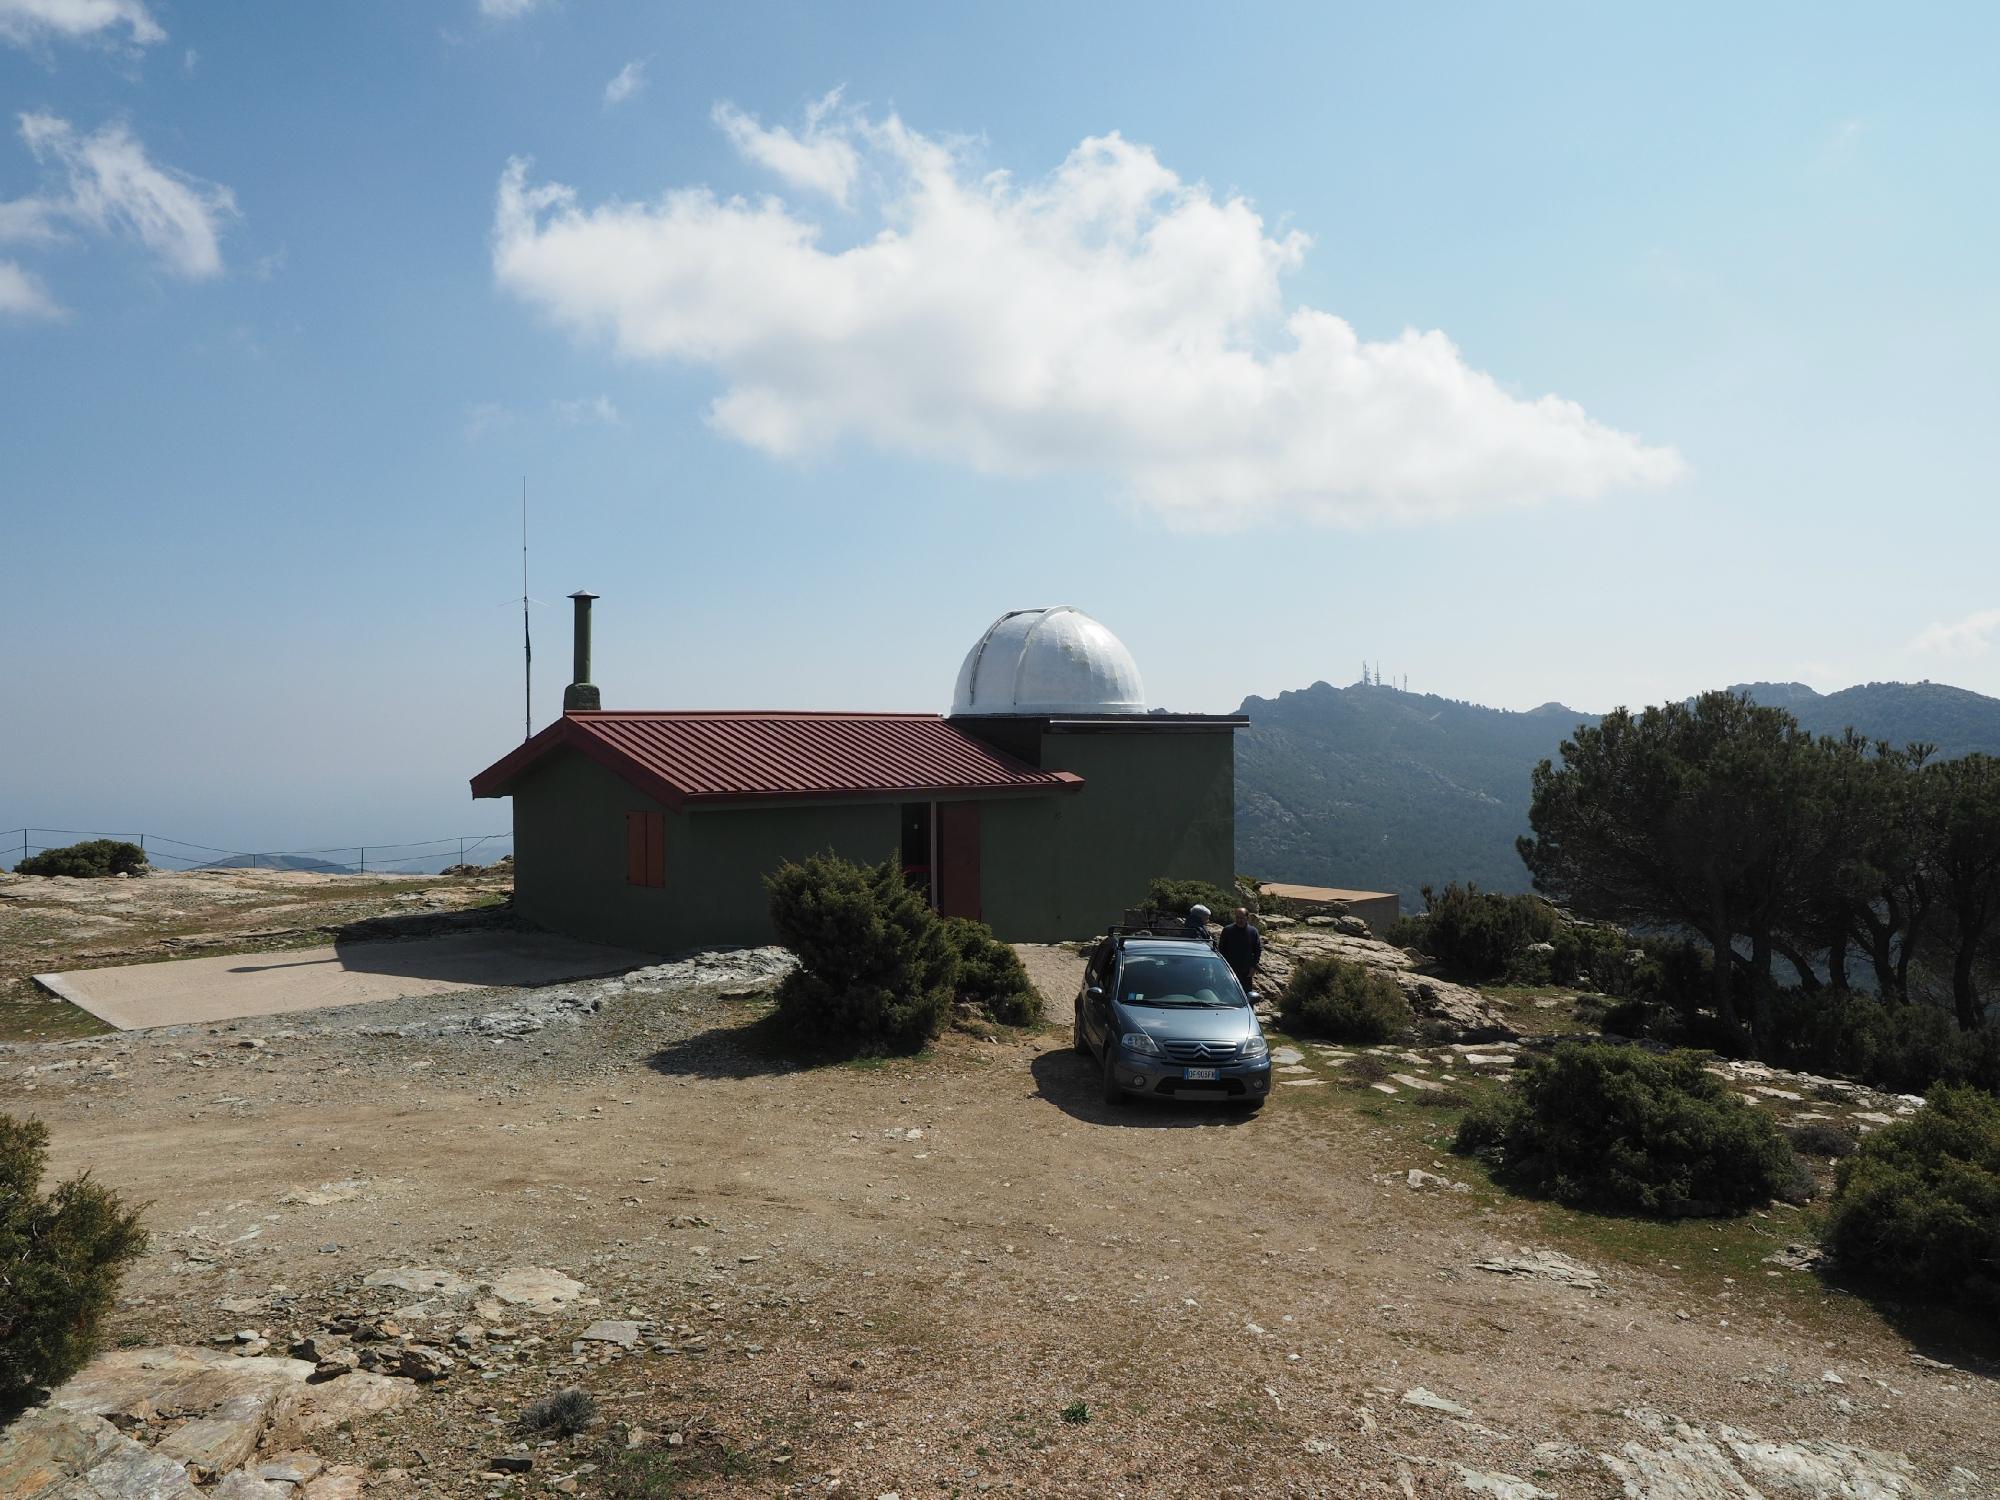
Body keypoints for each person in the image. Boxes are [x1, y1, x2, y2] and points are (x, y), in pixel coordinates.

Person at [1217, 906, 1262, 994]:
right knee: (1227, 994)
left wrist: (1253, 967)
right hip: (1229, 970)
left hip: (1246, 972)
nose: (1239, 920)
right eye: (1237, 917)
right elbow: (1221, 950)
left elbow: (1257, 950)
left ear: (1247, 918)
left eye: (1242, 918)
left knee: (1245, 994)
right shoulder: (1227, 930)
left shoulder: (1253, 931)